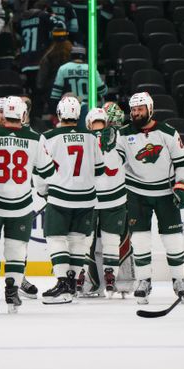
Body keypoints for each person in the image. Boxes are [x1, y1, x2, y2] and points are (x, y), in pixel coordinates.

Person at [0, 96, 56, 313]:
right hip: (20, 205)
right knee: (16, 250)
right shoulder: (35, 138)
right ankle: (12, 294)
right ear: (23, 115)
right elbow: (48, 172)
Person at [115, 92, 184, 304]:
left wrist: (183, 187)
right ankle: (143, 281)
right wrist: (107, 142)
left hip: (166, 192)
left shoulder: (167, 132)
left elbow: (182, 163)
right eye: (134, 110)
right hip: (137, 192)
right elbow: (114, 163)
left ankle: (178, 280)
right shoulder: (122, 134)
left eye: (140, 109)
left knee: (173, 239)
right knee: (140, 239)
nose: (136, 113)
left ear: (150, 109)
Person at [37, 97, 106, 304]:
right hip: (86, 198)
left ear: (59, 114)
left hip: (60, 196)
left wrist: (43, 191)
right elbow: (100, 169)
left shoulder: (48, 137)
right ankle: (72, 283)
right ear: (78, 115)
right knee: (77, 240)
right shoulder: (91, 137)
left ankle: (62, 283)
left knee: (55, 237)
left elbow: (41, 170)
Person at [81, 103, 128, 296]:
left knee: (83, 240)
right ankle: (111, 278)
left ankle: (81, 278)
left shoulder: (83, 139)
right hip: (115, 195)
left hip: (90, 197)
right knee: (112, 241)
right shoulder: (120, 136)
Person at [50, 44, 108, 121]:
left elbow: (55, 94)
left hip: (69, 109)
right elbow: (103, 91)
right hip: (88, 108)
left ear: (72, 55)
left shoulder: (63, 68)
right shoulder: (91, 68)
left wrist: (54, 111)